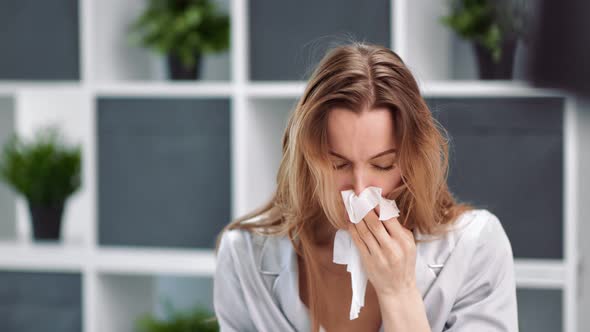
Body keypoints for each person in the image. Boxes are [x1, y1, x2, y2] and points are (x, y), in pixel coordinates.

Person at [212, 42, 518, 332]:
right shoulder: (244, 255)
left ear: (411, 160)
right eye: (338, 164)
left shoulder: (476, 246)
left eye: (383, 165)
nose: (359, 191)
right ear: (306, 159)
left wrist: (399, 291)